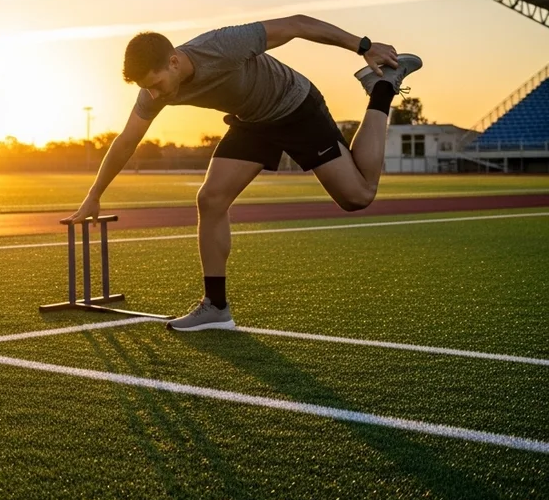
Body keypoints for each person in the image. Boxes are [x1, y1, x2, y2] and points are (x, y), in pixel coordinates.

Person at [68, 17, 423, 331]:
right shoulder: (152, 92)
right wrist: (94, 193)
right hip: (252, 121)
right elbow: (126, 142)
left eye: (157, 83)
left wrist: (364, 47)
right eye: (146, 87)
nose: (154, 93)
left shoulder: (222, 45)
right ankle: (216, 307)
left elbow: (296, 25)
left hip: (294, 106)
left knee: (357, 196)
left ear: (174, 61)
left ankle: (382, 88)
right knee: (210, 199)